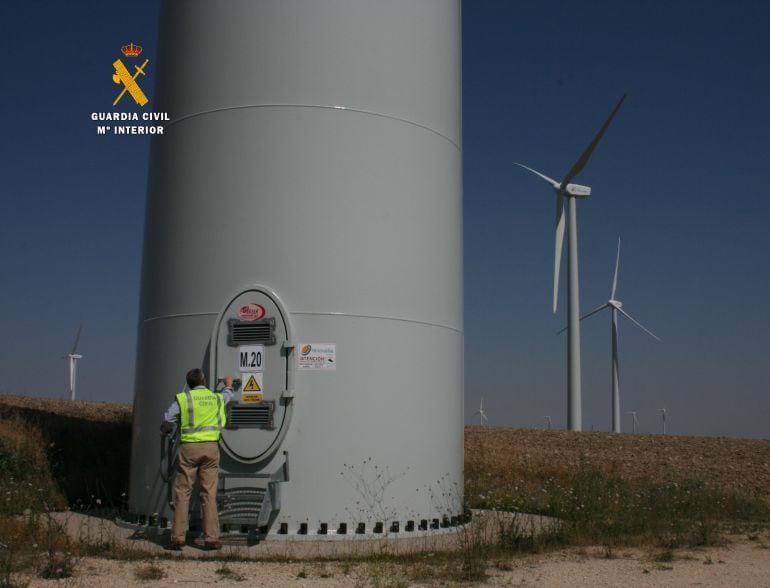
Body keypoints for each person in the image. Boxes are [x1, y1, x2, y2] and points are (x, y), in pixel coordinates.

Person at [160, 368, 234, 550]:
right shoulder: (215, 398)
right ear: (204, 380)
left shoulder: (184, 399)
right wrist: (229, 384)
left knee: (183, 493)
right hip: (210, 449)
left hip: (188, 450)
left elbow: (167, 421)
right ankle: (212, 539)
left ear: (189, 383)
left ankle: (177, 538)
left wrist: (166, 430)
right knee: (208, 493)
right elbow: (227, 395)